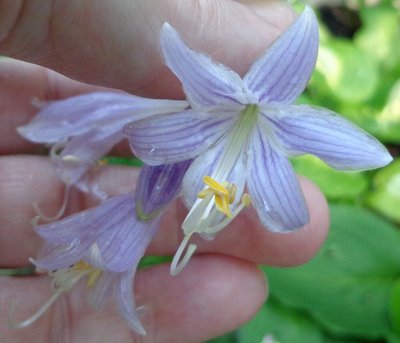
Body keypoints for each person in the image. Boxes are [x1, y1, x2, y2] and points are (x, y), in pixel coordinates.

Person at [0, 1, 329, 342]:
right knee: (149, 205)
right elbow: (153, 133)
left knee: (151, 207)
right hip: (208, 114)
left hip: (219, 115)